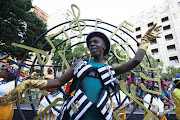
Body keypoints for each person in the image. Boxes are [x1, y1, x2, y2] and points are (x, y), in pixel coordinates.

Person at [0, 24, 162, 120]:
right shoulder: (80, 65)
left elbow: (135, 61)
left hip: (100, 115)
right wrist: (28, 83)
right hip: (76, 115)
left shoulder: (110, 70)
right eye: (90, 42)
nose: (92, 44)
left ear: (104, 46)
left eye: (96, 41)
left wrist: (145, 42)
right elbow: (58, 82)